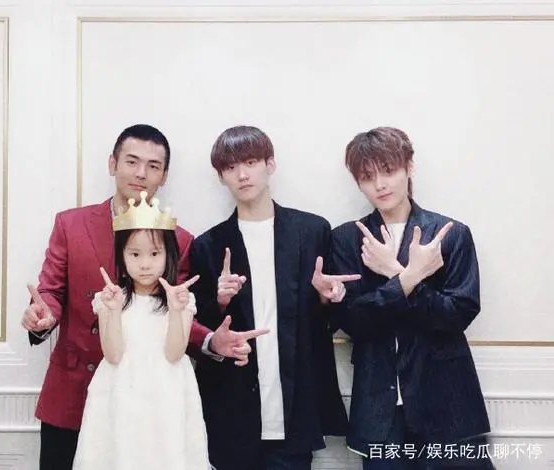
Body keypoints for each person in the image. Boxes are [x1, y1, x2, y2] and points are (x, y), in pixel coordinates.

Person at [21, 124, 267, 470]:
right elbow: (51, 290)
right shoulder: (70, 224)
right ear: (112, 164)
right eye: (131, 161)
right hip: (74, 391)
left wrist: (211, 340)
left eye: (153, 166)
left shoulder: (180, 240)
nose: (141, 173)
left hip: (146, 406)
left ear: (163, 176)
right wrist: (43, 315)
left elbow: (173, 310)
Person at [321, 126, 493, 469]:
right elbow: (354, 321)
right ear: (357, 182)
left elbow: (457, 314)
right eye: (368, 177)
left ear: (409, 167)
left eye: (388, 170)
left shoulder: (449, 234)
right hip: (379, 410)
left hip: (447, 403)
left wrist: (393, 272)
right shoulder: (348, 239)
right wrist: (407, 278)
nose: (380, 184)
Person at [189, 125, 360, 470]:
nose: (242, 174)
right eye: (230, 167)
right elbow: (199, 333)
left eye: (251, 162)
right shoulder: (208, 245)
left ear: (270, 164)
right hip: (231, 409)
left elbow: (328, 320)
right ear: (221, 176)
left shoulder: (312, 231)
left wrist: (327, 296)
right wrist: (219, 302)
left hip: (296, 408)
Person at [72, 192, 212, 470]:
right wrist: (112, 311)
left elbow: (174, 354)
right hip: (120, 393)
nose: (145, 263)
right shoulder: (109, 299)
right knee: (120, 453)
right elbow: (113, 355)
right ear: (122, 256)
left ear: (168, 255)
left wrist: (176, 310)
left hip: (167, 393)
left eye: (155, 253)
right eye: (134, 254)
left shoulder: (181, 300)